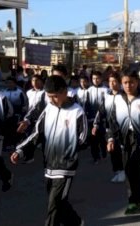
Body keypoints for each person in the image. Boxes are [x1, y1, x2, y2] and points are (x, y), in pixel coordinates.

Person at [11, 76, 87, 226]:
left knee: (54, 205)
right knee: (58, 202)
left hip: (66, 167)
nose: (51, 100)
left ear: (64, 92)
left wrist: (68, 147)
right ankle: (76, 222)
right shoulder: (48, 109)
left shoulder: (77, 112)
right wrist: (20, 150)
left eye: (55, 96)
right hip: (49, 164)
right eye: (49, 96)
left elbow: (83, 139)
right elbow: (36, 133)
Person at [107, 70, 140, 214]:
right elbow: (112, 120)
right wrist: (111, 138)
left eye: (131, 82)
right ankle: (138, 202)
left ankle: (133, 201)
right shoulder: (118, 99)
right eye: (125, 82)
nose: (128, 85)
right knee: (131, 169)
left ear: (137, 82)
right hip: (126, 139)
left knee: (132, 166)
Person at [93, 72, 125, 183]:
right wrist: (96, 125)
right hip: (110, 128)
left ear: (119, 82)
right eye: (110, 81)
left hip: (122, 128)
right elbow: (100, 111)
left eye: (114, 81)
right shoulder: (107, 96)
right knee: (112, 150)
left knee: (121, 151)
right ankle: (118, 171)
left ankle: (123, 171)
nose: (112, 84)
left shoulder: (124, 95)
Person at [87, 71, 108, 164]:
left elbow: (106, 104)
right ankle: (96, 157)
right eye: (93, 78)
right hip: (91, 118)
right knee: (93, 139)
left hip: (102, 119)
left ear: (101, 78)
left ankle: (104, 152)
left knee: (102, 138)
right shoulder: (89, 90)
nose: (95, 80)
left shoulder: (105, 90)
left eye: (97, 78)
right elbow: (86, 104)